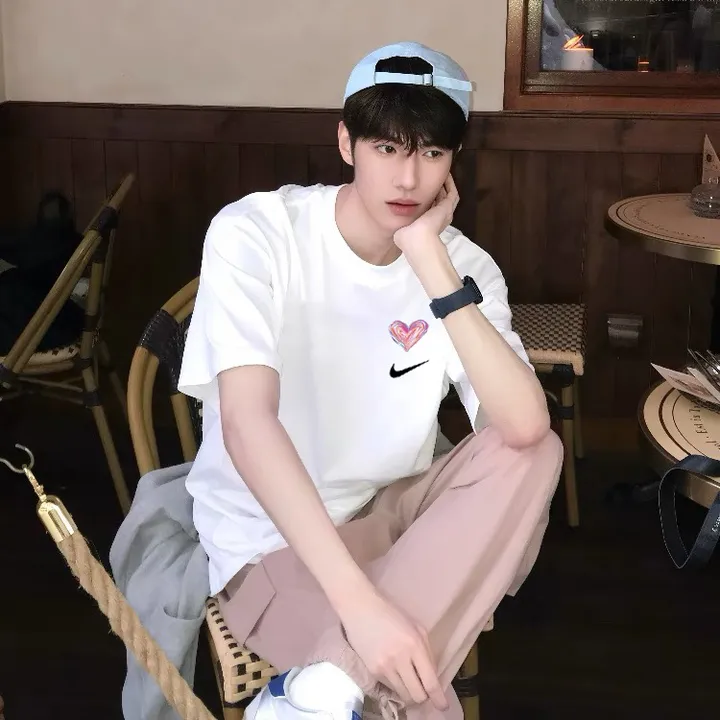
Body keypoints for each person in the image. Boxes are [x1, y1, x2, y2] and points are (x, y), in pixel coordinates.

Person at [177, 42, 563, 720]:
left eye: (431, 153)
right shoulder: (257, 232)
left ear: (453, 162)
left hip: (396, 517)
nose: (408, 179)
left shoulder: (465, 266)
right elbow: (245, 422)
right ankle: (326, 689)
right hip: (277, 543)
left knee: (536, 450)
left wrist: (428, 260)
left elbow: (525, 426)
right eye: (387, 148)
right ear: (345, 143)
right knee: (417, 701)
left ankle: (321, 688)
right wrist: (363, 609)